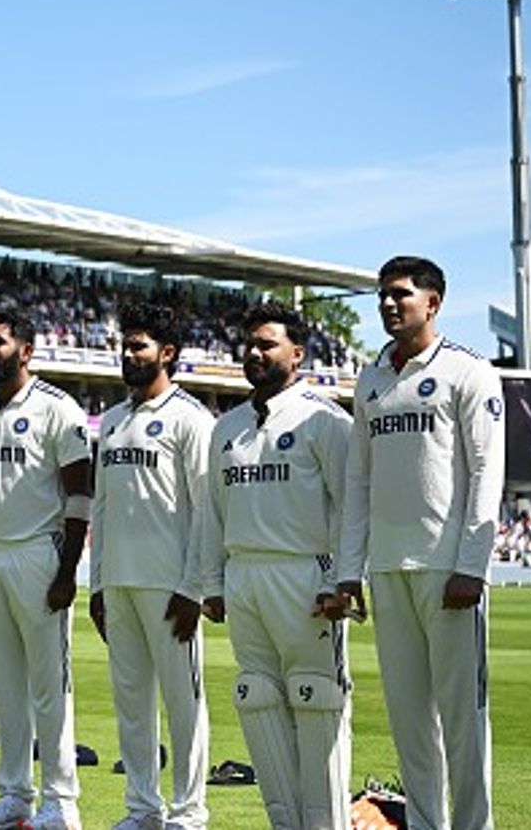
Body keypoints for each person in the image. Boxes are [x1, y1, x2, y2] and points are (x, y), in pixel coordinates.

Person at [330, 256, 504, 830]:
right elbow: (358, 480)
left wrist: (471, 567)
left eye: (400, 294)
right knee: (410, 722)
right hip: (388, 570)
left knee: (462, 720)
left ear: (433, 302)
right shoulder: (372, 377)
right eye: (382, 295)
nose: (387, 304)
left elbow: (487, 471)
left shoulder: (468, 371)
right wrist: (348, 571)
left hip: (448, 568)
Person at [199, 303, 354, 830]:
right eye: (250, 344)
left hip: (305, 576)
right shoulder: (227, 429)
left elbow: (351, 506)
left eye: (267, 344)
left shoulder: (325, 419)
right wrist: (212, 582)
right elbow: (211, 512)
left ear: (298, 353)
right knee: (257, 698)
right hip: (244, 577)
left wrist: (341, 580)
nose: (255, 352)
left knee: (317, 699)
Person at [0, 309, 93, 830]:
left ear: (27, 351)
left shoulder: (58, 408)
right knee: (5, 683)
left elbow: (80, 494)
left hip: (39, 554)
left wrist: (66, 572)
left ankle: (61, 802)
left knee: (48, 684)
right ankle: (14, 794)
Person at [90, 303, 214, 830]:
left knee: (184, 707)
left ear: (167, 353)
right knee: (132, 705)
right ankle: (142, 808)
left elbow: (208, 509)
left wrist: (193, 587)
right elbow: (100, 505)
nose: (128, 354)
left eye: (139, 345)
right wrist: (96, 584)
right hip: (119, 584)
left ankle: (189, 812)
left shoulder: (191, 418)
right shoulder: (113, 420)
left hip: (171, 587)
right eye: (125, 344)